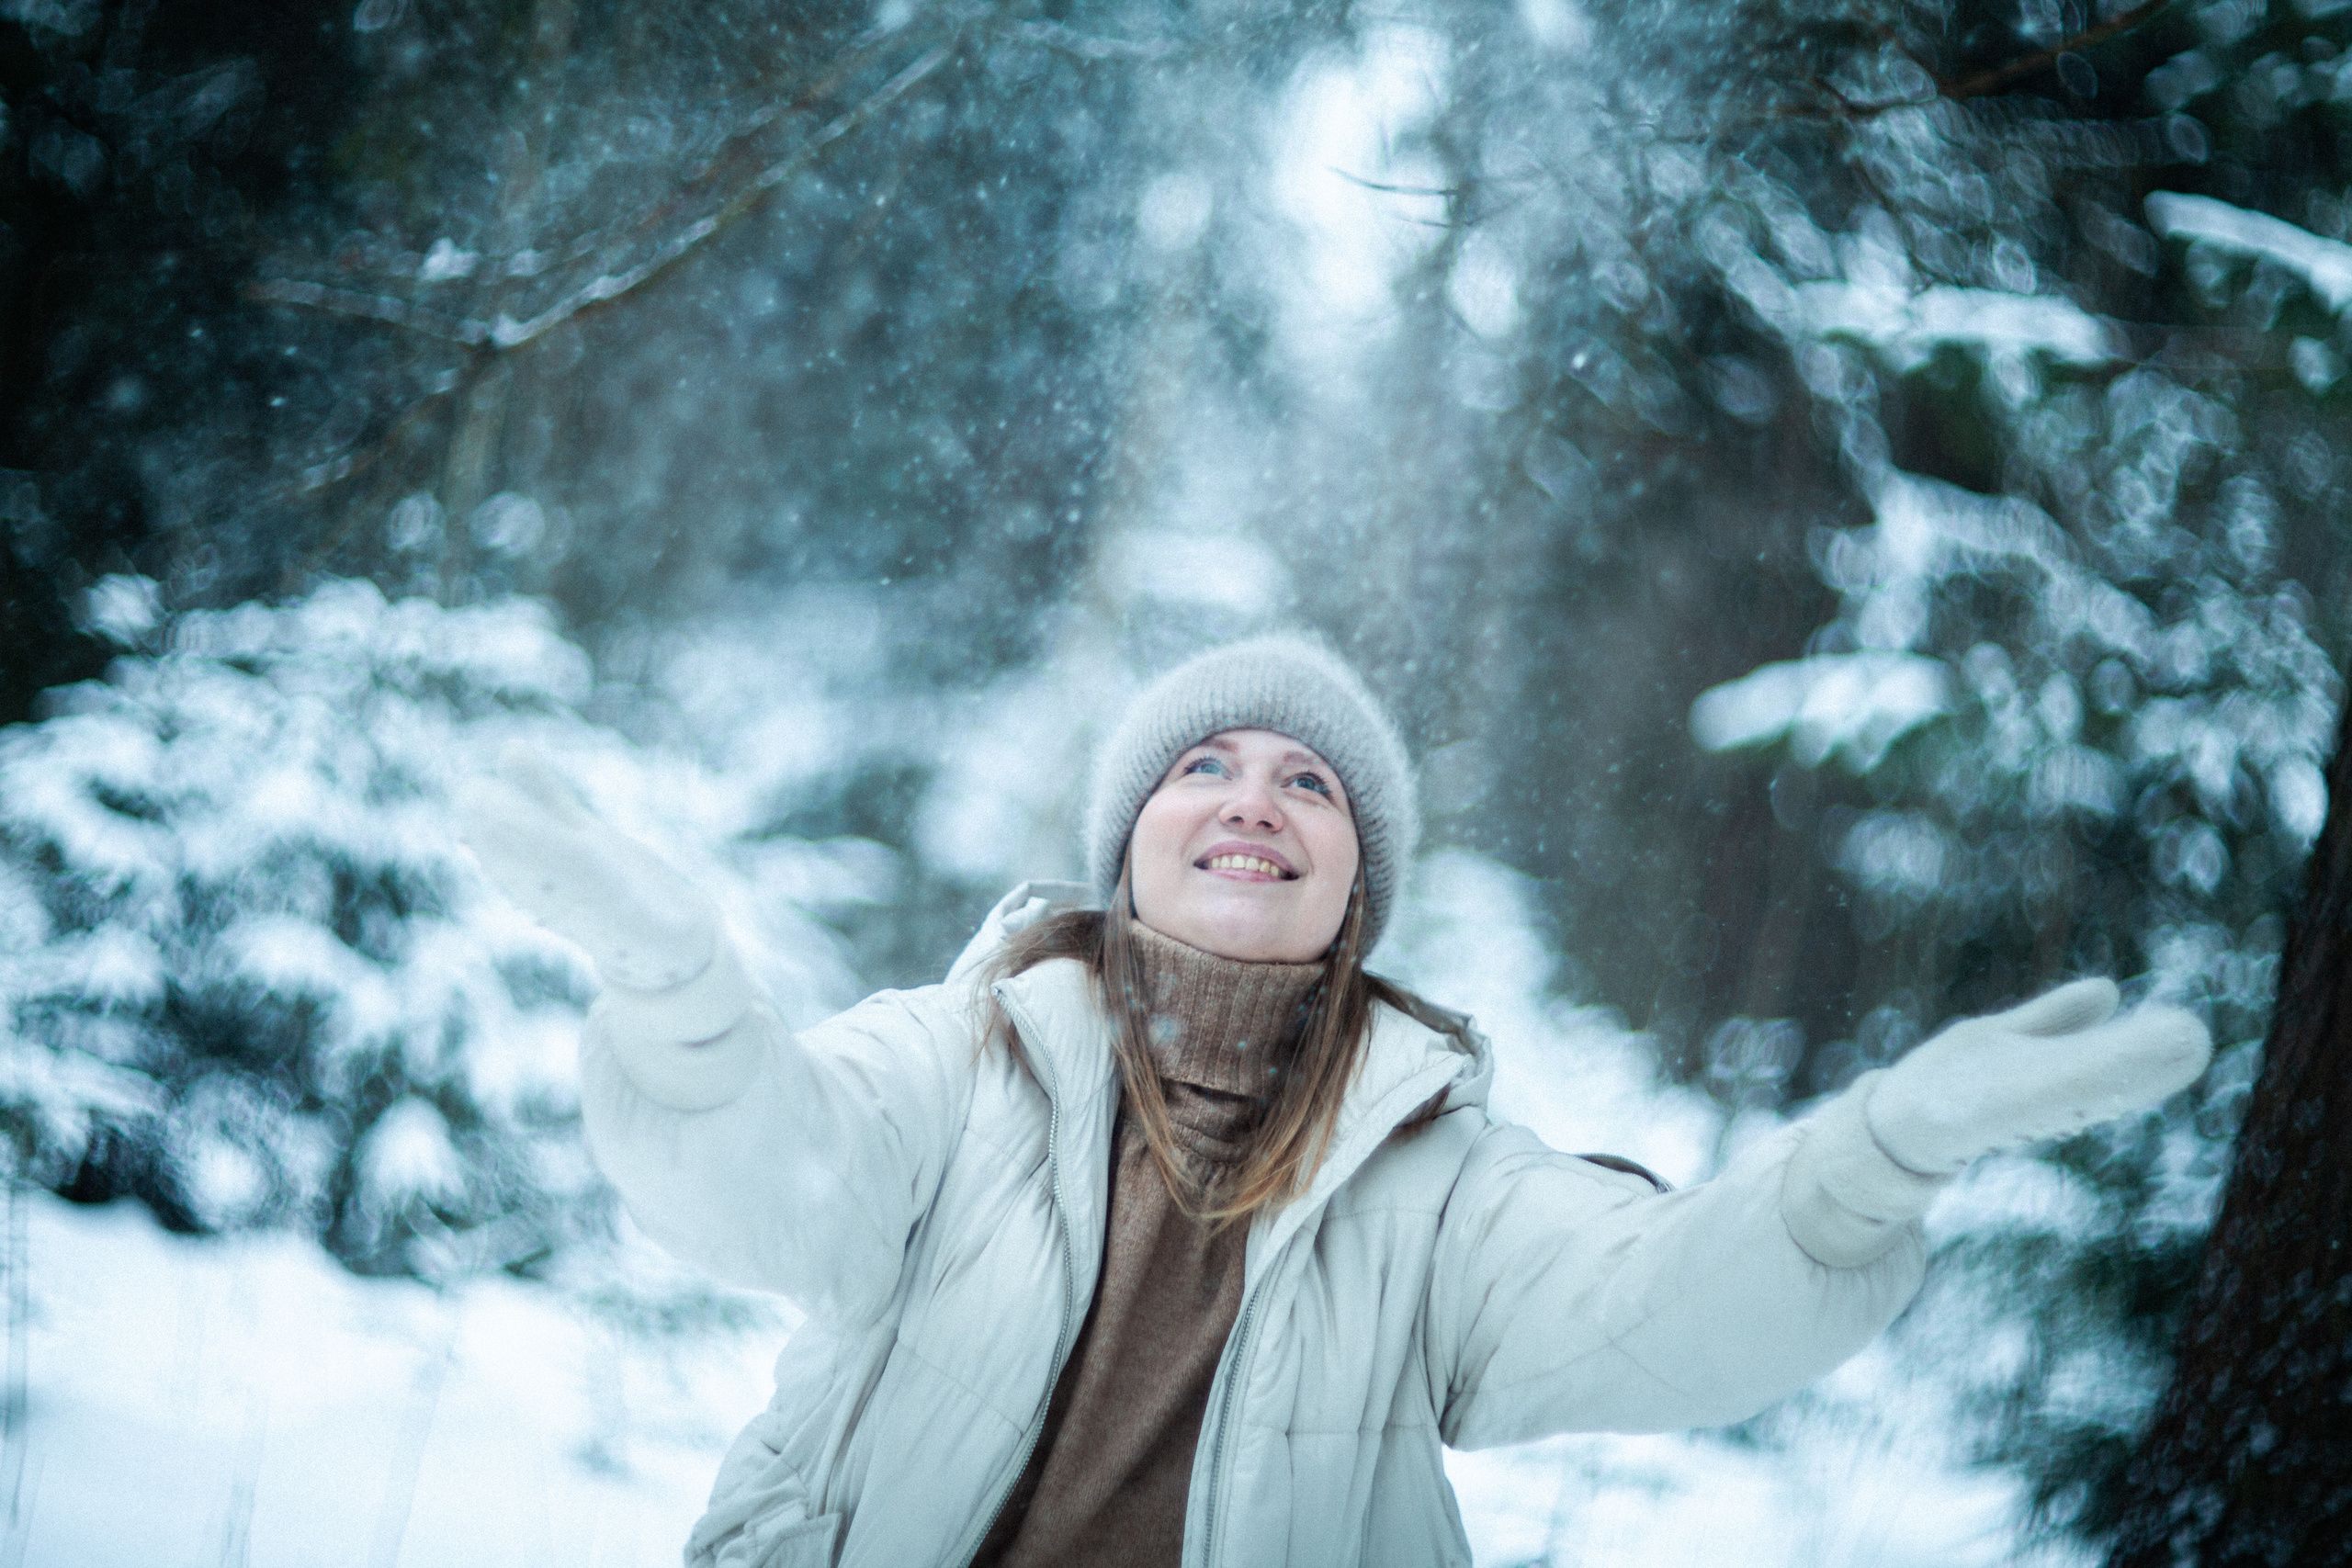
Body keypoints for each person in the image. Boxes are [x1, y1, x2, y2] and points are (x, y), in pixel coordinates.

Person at [458, 636, 2211, 1568]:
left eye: (1311, 782)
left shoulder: (1441, 1179)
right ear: (1130, 839)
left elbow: (1660, 1305)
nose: (1251, 799)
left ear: (1353, 889)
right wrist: (681, 996)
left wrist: (1869, 1166)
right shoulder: (961, 1052)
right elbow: (771, 1178)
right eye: (1202, 765)